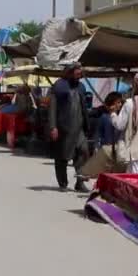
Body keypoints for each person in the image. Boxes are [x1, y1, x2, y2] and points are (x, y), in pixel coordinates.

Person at [49, 62, 90, 193]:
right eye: (77, 74)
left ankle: (80, 182)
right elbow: (52, 108)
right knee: (62, 156)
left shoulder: (81, 87)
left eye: (80, 74)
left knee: (83, 152)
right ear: (70, 73)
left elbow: (84, 107)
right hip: (64, 128)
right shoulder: (59, 86)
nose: (79, 76)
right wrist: (53, 126)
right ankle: (62, 183)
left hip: (79, 128)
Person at [80, 92, 126, 178]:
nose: (120, 105)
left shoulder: (121, 118)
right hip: (106, 150)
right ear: (112, 103)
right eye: (118, 102)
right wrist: (96, 147)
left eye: (121, 103)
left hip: (118, 150)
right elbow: (98, 134)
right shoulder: (104, 117)